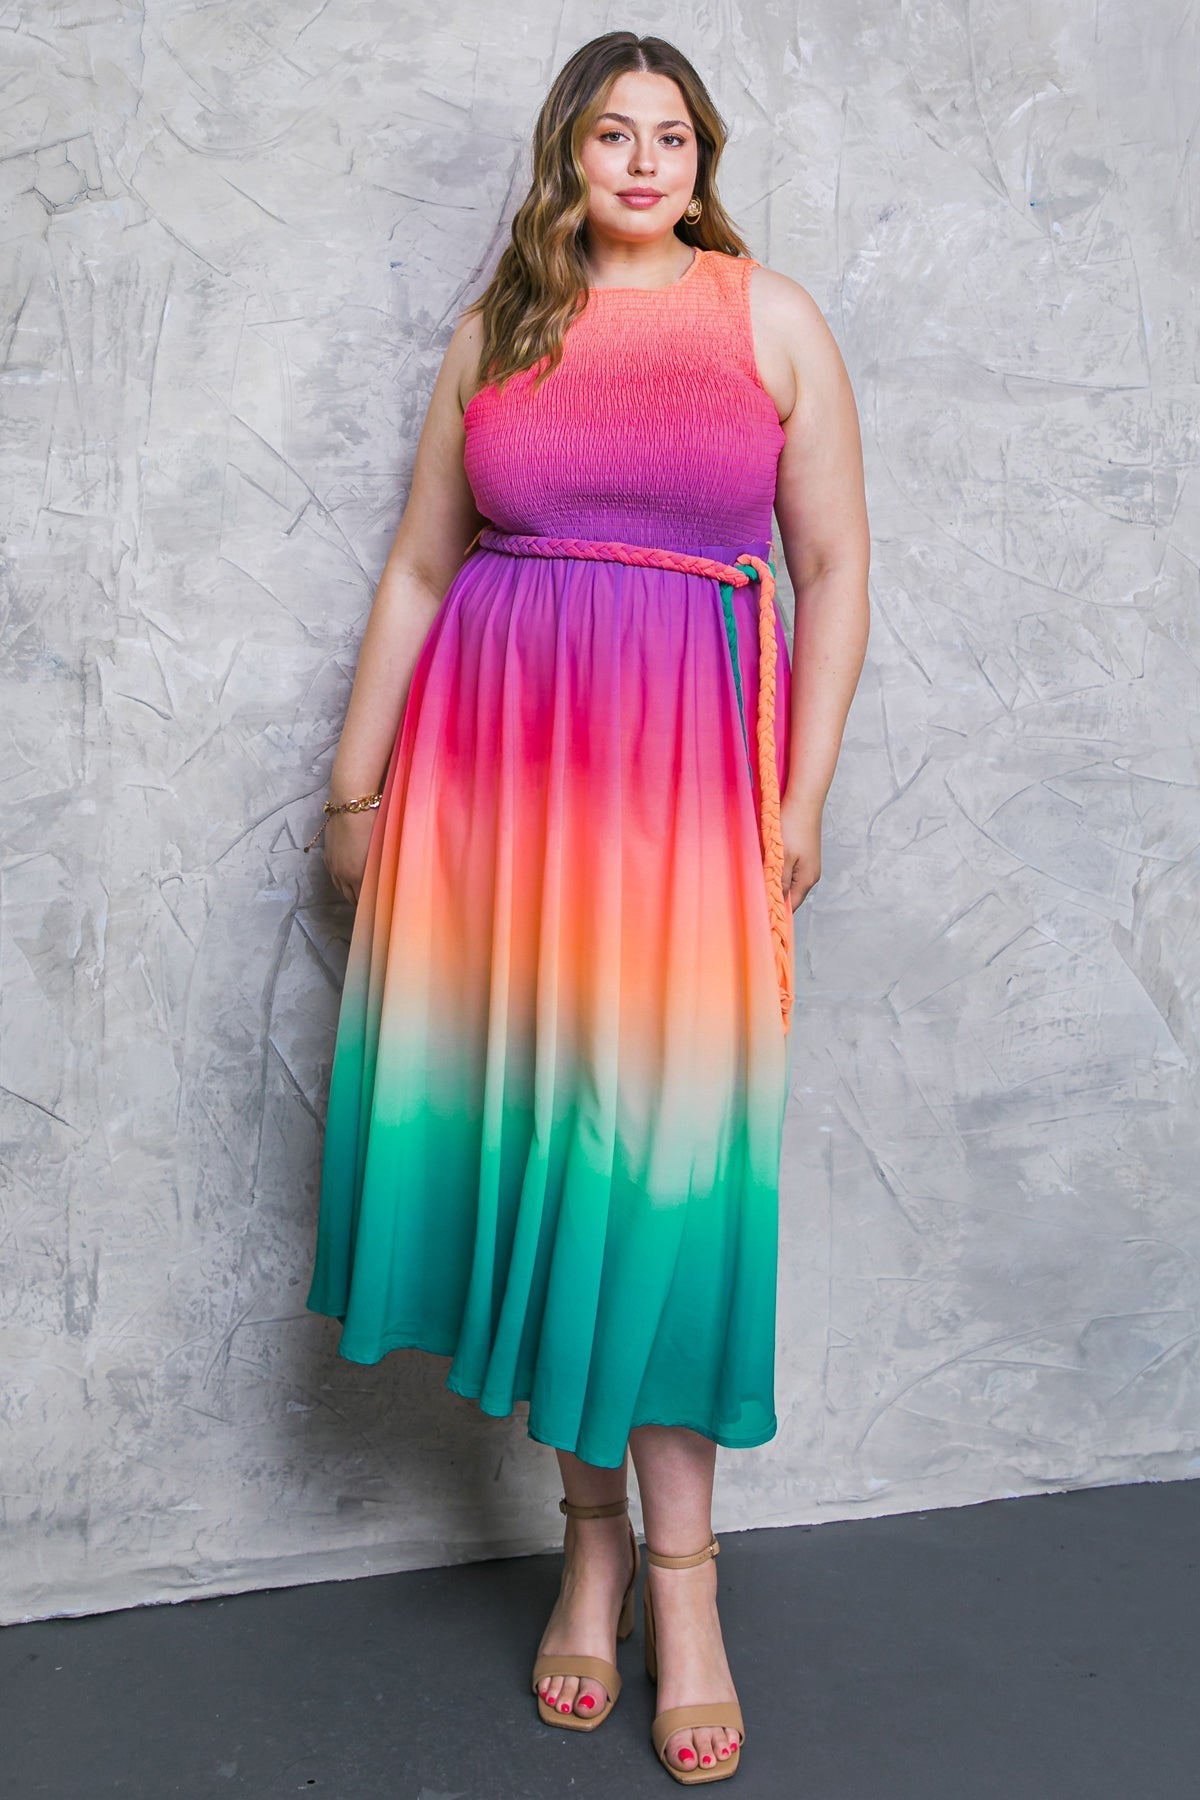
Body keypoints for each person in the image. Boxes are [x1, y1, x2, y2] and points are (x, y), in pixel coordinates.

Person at [303, 29, 869, 1787]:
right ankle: (593, 1541)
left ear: (703, 157)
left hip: (692, 785)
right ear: (569, 156)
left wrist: (799, 799)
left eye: (673, 134)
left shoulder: (769, 319)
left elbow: (839, 569)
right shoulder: (503, 332)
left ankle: (683, 1582)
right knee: (547, 1148)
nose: (645, 160)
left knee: (672, 1174)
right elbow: (416, 566)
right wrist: (351, 784)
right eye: (613, 135)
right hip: (497, 796)